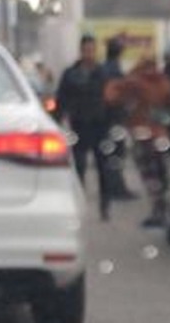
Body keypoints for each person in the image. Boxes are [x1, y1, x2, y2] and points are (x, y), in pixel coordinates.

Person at [105, 55, 170, 228]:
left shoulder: (135, 82)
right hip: (161, 134)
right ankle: (164, 208)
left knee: (148, 173)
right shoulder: (164, 82)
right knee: (162, 173)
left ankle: (157, 210)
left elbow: (111, 95)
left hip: (142, 134)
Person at [55, 34, 114, 221]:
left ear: (95, 50)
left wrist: (113, 123)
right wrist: (57, 120)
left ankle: (105, 206)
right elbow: (61, 99)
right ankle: (79, 206)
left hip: (100, 125)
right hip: (79, 125)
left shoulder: (103, 73)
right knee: (78, 167)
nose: (89, 53)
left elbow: (112, 100)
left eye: (91, 50)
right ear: (81, 51)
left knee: (103, 168)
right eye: (86, 50)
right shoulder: (71, 73)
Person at [100, 36, 136, 200]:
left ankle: (112, 186)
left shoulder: (104, 68)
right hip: (114, 116)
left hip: (107, 117)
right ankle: (116, 188)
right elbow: (117, 95)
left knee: (111, 152)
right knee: (116, 153)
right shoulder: (113, 70)